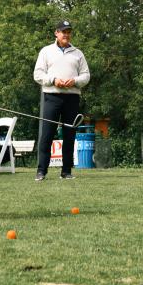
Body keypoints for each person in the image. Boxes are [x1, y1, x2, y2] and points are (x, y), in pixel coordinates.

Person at [33, 20, 90, 181]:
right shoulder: (46, 51)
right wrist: (53, 80)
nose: (66, 34)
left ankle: (66, 171)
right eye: (63, 31)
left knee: (69, 134)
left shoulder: (78, 53)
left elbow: (86, 75)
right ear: (56, 33)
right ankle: (41, 171)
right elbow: (38, 74)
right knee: (47, 134)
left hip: (72, 97)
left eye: (68, 32)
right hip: (51, 96)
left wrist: (75, 81)